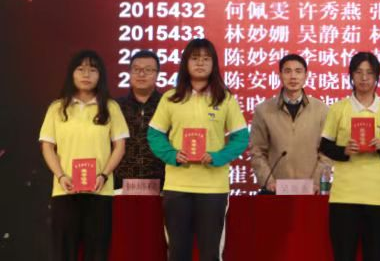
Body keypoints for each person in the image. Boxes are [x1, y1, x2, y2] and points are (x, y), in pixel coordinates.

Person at [147, 38, 249, 261]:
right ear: (185, 63)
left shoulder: (225, 98)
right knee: (177, 252)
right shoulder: (171, 98)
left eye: (206, 58)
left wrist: (218, 157)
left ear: (214, 64)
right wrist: (172, 155)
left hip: (213, 187)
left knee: (210, 253)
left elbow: (241, 137)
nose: (200, 63)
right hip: (177, 186)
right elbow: (154, 134)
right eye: (195, 58)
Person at [39, 50, 129, 261]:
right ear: (72, 73)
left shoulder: (110, 107)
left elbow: (120, 147)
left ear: (100, 75)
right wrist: (61, 176)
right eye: (80, 69)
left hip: (100, 191)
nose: (86, 74)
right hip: (65, 191)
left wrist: (104, 175)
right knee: (63, 253)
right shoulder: (57, 108)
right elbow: (47, 147)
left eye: (92, 70)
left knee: (97, 253)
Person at [319, 52, 380, 261]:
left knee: (376, 255)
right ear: (351, 75)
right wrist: (344, 151)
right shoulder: (338, 108)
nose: (364, 78)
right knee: (343, 255)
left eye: (369, 73)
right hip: (344, 196)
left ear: (377, 77)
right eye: (358, 72)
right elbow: (325, 146)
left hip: (377, 197)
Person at [250, 54, 329, 193]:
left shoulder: (322, 110)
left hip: (312, 190)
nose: (293, 77)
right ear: (280, 75)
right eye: (287, 71)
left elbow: (326, 153)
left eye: (298, 71)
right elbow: (257, 151)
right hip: (276, 190)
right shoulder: (263, 110)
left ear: (306, 75)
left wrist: (317, 182)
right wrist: (269, 181)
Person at [114, 50, 164, 189]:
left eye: (148, 70)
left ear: (157, 74)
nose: (141, 74)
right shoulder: (115, 106)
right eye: (136, 69)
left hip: (163, 183)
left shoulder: (167, 105)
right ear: (129, 73)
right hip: (119, 184)